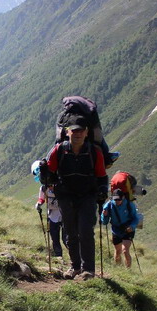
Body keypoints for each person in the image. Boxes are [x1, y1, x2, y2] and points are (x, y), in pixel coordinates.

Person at [44, 119, 108, 279]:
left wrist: (101, 191)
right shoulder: (59, 150)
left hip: (88, 196)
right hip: (66, 196)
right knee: (71, 232)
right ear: (67, 132)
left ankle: (88, 270)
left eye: (81, 130)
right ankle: (75, 267)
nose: (78, 134)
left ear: (87, 132)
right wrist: (47, 177)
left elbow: (101, 176)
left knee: (85, 231)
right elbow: (49, 172)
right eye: (74, 130)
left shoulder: (94, 152)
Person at [100, 188, 143, 268]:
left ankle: (128, 271)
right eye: (115, 200)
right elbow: (104, 222)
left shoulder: (129, 205)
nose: (117, 201)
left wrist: (132, 226)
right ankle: (119, 269)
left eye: (119, 199)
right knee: (118, 251)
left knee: (125, 250)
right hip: (116, 230)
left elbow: (135, 218)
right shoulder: (109, 205)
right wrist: (105, 216)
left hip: (128, 229)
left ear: (123, 197)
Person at [36, 183, 64, 258]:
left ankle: (75, 259)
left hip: (64, 214)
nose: (50, 187)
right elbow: (41, 198)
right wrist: (39, 203)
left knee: (67, 238)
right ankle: (59, 256)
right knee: (54, 238)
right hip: (52, 215)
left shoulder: (62, 186)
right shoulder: (43, 188)